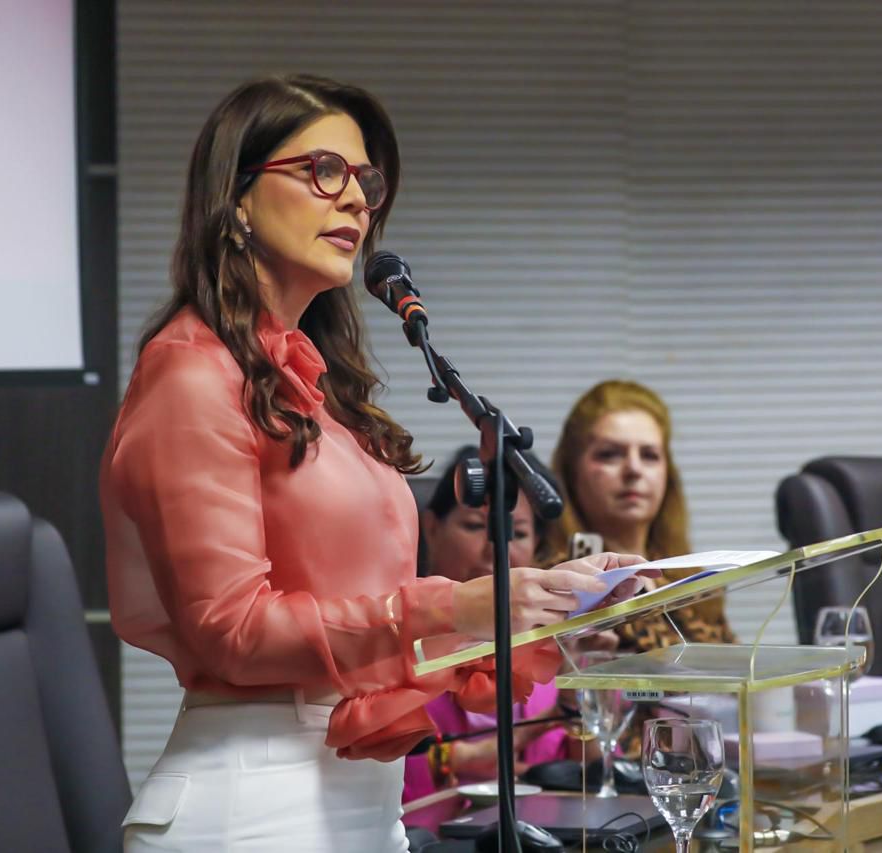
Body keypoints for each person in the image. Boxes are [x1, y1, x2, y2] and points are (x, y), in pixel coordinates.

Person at [100, 74, 642, 851]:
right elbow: (232, 629)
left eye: (365, 180)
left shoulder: (313, 384)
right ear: (238, 197)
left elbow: (366, 624)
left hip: (359, 808)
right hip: (252, 809)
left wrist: (541, 613)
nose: (356, 199)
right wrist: (459, 604)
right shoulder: (190, 372)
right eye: (324, 171)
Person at [404, 446, 578, 802]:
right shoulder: (391, 635)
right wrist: (454, 760)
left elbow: (592, 774)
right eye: (474, 526)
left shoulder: (558, 648)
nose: (496, 548)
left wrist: (579, 699)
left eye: (518, 533)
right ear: (431, 528)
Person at [546, 379, 736, 653]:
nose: (634, 469)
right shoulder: (557, 582)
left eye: (649, 455)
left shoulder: (693, 579)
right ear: (572, 471)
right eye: (610, 454)